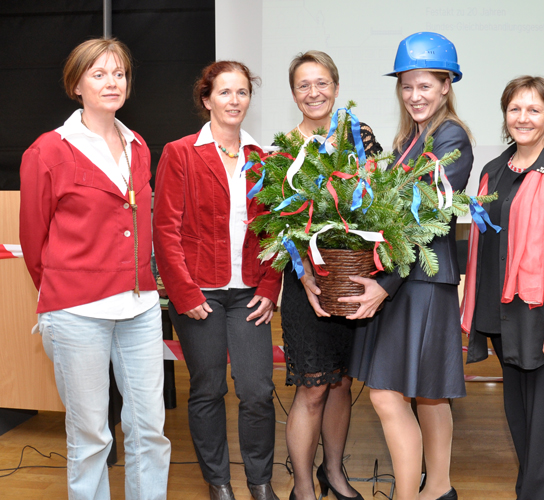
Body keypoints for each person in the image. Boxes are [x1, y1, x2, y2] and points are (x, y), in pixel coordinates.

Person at [19, 38, 171, 499]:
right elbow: (33, 241)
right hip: (77, 310)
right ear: (77, 84)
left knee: (150, 430)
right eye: (99, 73)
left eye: (119, 73)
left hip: (141, 306)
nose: (112, 82)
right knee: (91, 438)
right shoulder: (48, 151)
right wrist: (62, 296)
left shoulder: (138, 144)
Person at [344, 32, 473, 500]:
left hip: (417, 281)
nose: (414, 95)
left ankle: (408, 496)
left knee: (386, 393)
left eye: (425, 86)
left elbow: (426, 219)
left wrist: (385, 284)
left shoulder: (451, 135)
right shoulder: (411, 139)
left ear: (445, 85)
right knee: (430, 393)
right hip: (414, 281)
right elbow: (389, 211)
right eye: (406, 86)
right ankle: (438, 491)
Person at [152, 61, 282, 500]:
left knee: (257, 391)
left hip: (249, 292)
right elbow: (165, 229)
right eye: (224, 92)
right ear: (206, 100)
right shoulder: (180, 153)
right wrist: (183, 292)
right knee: (207, 389)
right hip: (198, 294)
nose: (234, 101)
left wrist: (269, 287)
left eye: (242, 92)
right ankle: (219, 482)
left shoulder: (264, 158)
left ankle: (260, 481)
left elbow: (275, 231)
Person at [462, 76, 544, 500]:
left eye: (534, 110)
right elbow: (488, 245)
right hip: (505, 317)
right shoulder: (493, 170)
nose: (523, 118)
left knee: (543, 429)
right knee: (520, 422)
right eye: (515, 109)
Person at [279, 51, 382, 500]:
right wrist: (303, 273)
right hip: (308, 285)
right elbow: (278, 225)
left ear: (336, 88)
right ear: (294, 93)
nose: (313, 92)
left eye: (322, 83)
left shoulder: (359, 135)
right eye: (304, 85)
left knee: (341, 382)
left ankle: (334, 473)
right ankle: (303, 486)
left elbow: (382, 202)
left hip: (352, 278)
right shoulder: (282, 148)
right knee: (314, 388)